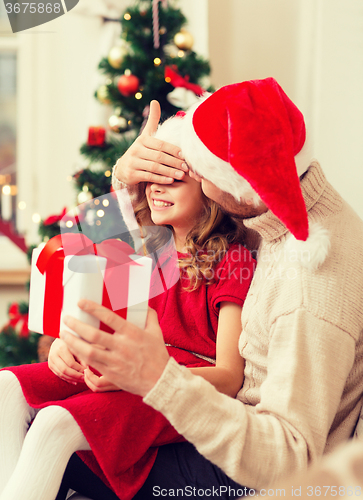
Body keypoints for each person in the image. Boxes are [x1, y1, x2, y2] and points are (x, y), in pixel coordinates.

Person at [58, 77, 363, 499]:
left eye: (198, 170)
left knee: (62, 455)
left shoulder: (309, 287)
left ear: (233, 187)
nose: (190, 172)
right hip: (227, 428)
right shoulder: (268, 218)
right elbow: (129, 245)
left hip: (250, 472)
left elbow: (289, 461)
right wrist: (125, 180)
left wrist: (158, 379)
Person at [0, 118, 255, 500]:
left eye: (174, 178)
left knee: (55, 422)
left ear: (208, 186)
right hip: (126, 371)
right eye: (152, 177)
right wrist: (64, 346)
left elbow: (230, 378)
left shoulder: (231, 258)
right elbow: (103, 321)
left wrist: (145, 376)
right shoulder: (145, 251)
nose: (157, 188)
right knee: (6, 386)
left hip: (177, 387)